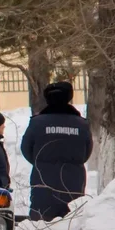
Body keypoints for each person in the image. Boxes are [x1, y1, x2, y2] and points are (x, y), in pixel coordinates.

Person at [20, 81, 93, 222]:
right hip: (73, 180)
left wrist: (41, 162)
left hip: (42, 181)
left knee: (42, 224)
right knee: (72, 221)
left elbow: (26, 148)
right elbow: (86, 152)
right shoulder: (82, 124)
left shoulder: (37, 123)